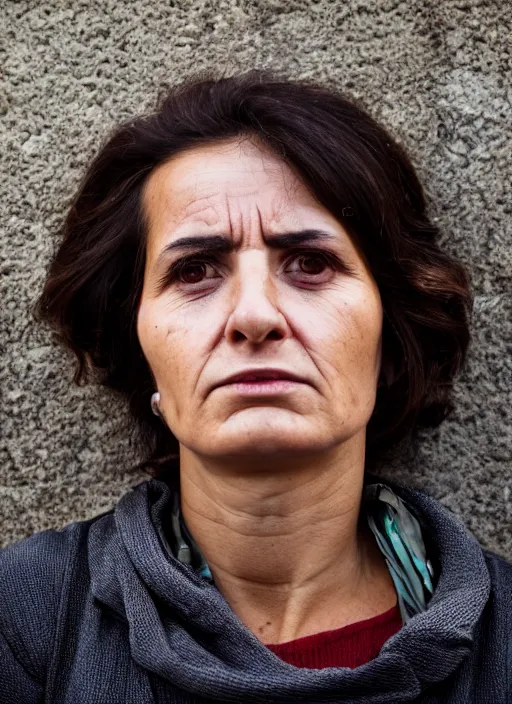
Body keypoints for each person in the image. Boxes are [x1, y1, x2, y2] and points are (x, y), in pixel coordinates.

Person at [1, 68, 510, 704]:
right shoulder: (24, 622)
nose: (255, 316)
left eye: (312, 264)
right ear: (139, 351)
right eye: (194, 271)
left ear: (391, 334)